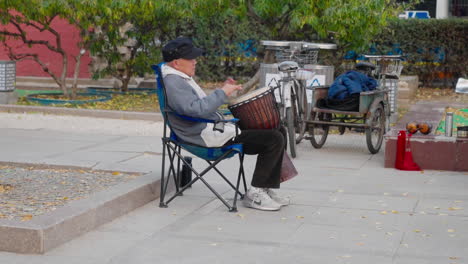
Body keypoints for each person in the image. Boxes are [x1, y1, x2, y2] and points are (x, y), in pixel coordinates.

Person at [161, 37, 289, 211]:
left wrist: (222, 90)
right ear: (176, 63)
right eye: (191, 58)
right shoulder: (173, 81)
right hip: (202, 137)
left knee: (278, 130)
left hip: (210, 129)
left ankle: (265, 187)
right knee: (273, 138)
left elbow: (197, 105)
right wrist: (222, 93)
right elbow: (195, 110)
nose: (195, 61)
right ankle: (255, 194)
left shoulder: (179, 78)